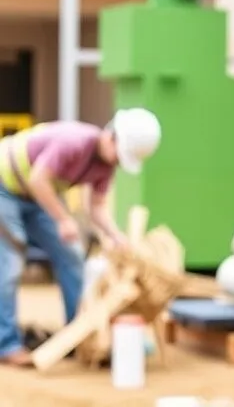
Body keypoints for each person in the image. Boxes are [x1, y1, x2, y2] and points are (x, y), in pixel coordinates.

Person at [0, 107, 162, 367]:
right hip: (6, 186)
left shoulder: (106, 164)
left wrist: (116, 236)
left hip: (37, 194)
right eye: (120, 155)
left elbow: (96, 207)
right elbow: (38, 179)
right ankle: (6, 345)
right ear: (112, 136)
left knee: (72, 255)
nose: (118, 162)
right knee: (10, 263)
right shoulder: (74, 141)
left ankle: (76, 336)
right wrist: (63, 219)